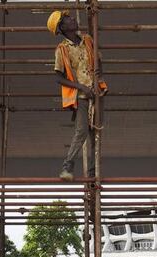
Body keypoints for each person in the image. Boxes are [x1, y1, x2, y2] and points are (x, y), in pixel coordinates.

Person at [46, 10, 107, 180]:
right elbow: (58, 77)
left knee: (96, 133)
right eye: (68, 19)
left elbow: (99, 62)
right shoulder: (62, 49)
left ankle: (93, 172)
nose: (72, 19)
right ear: (62, 27)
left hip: (97, 94)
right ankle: (68, 167)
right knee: (81, 131)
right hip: (80, 97)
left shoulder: (88, 40)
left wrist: (98, 80)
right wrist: (81, 87)